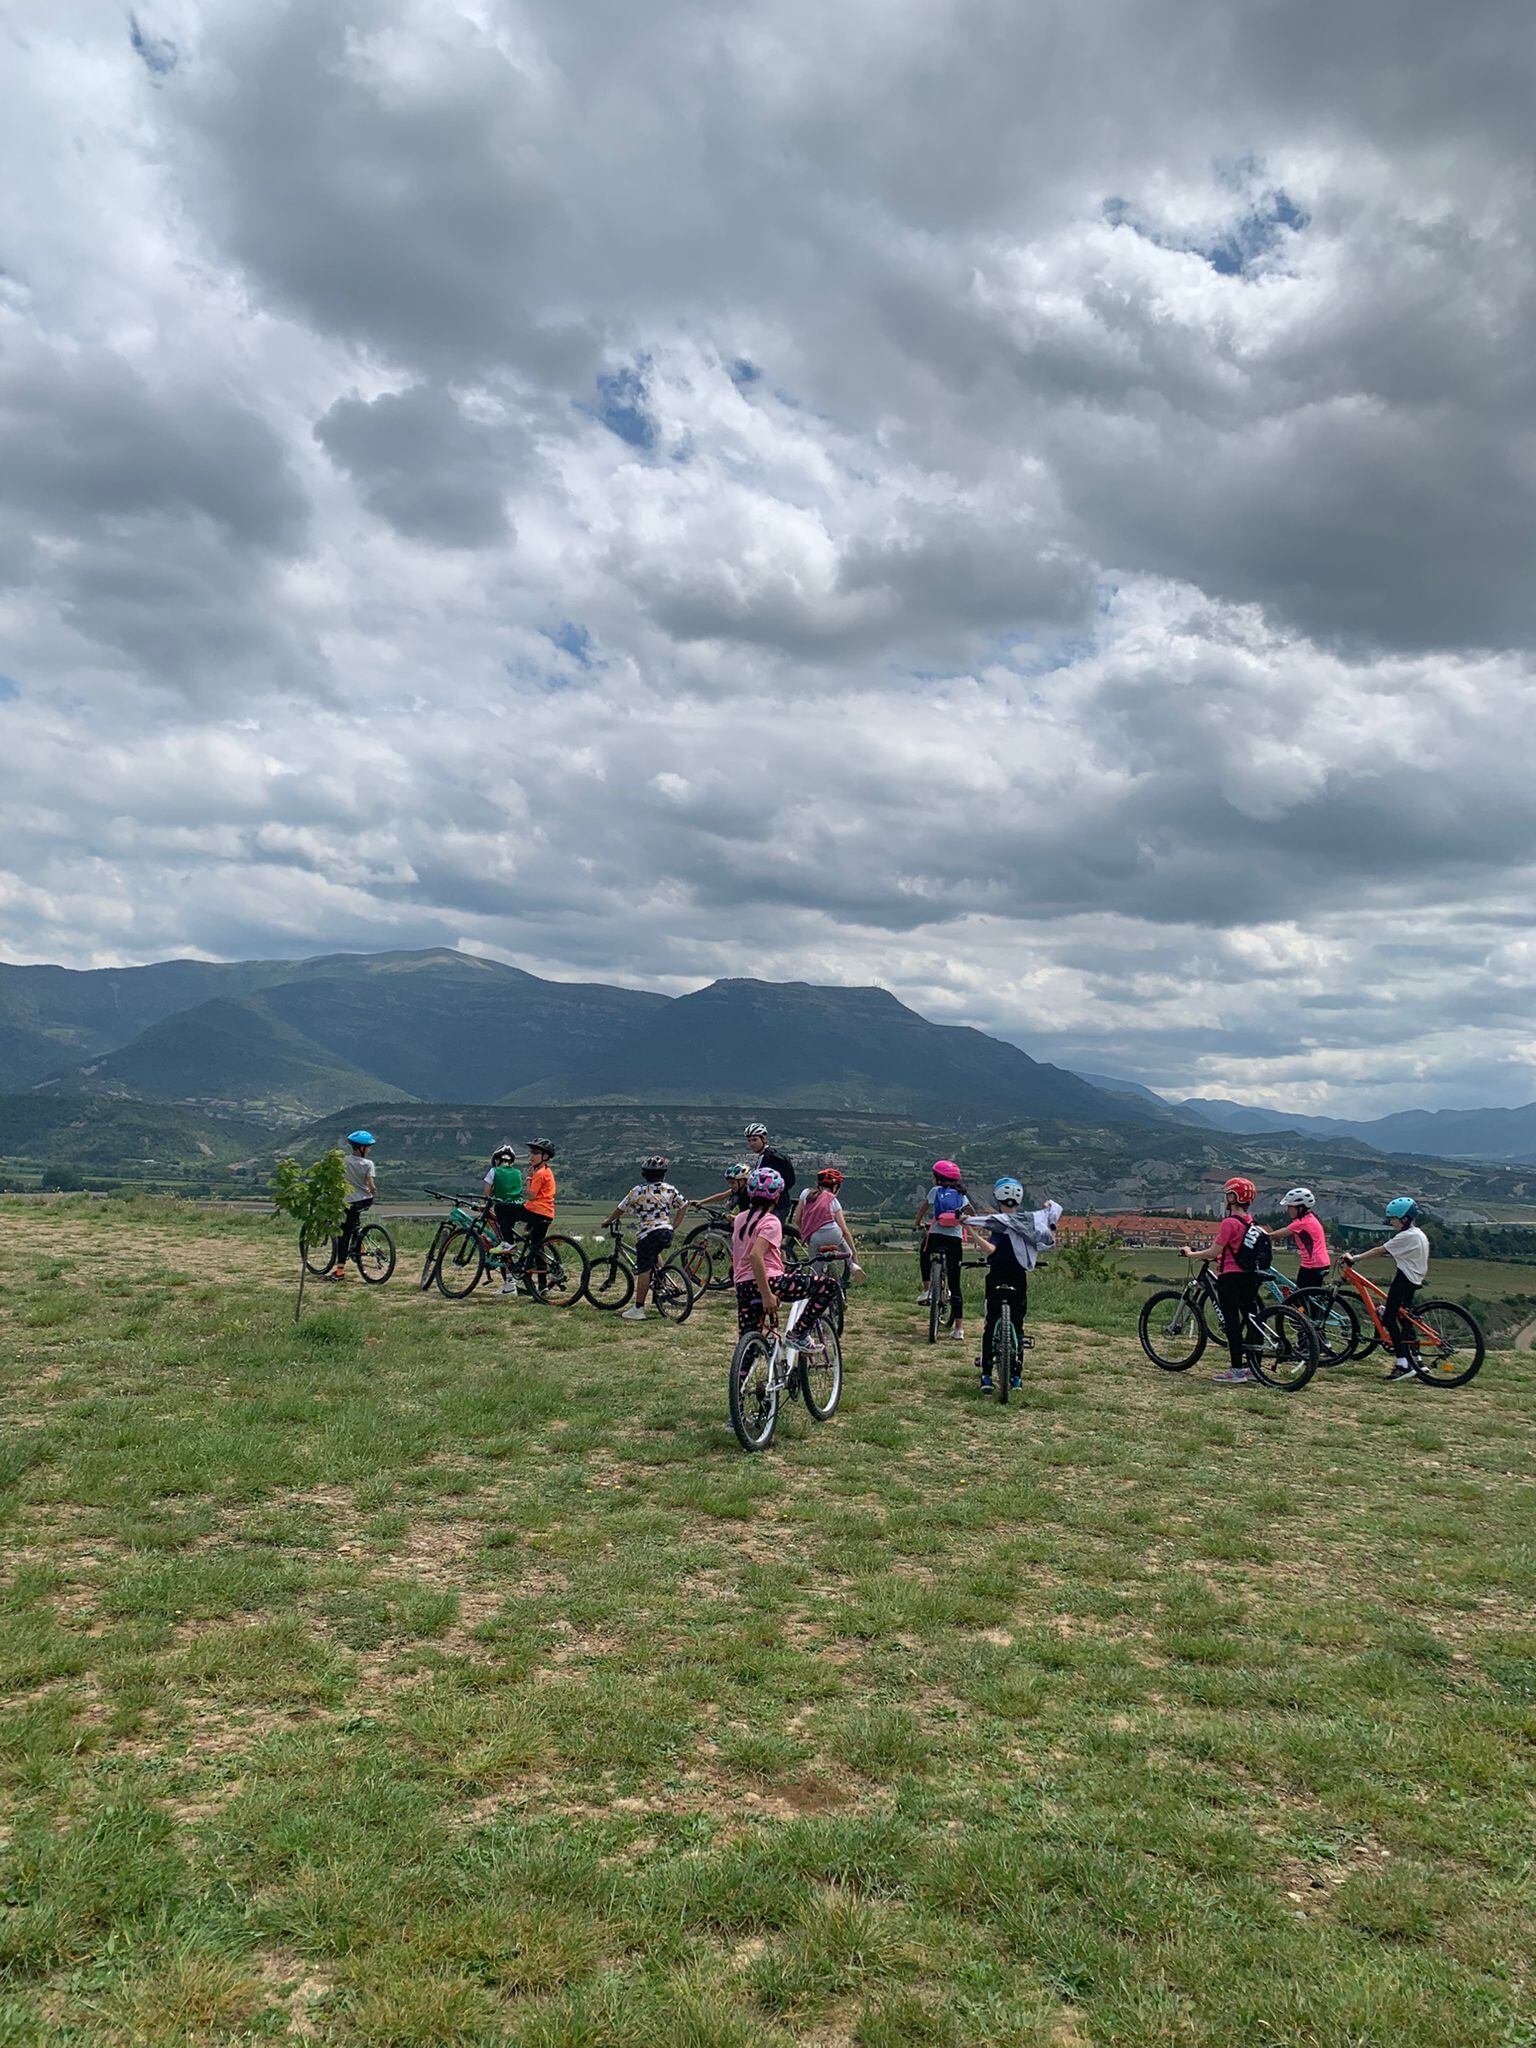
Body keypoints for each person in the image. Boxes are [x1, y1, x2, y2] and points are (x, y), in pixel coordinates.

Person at [964, 1182, 1061, 1391]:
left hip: (996, 1277)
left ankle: (987, 1376)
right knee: (1017, 1326)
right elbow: (1049, 1240)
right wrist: (1049, 1213)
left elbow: (991, 1250)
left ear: (998, 1199)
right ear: (1019, 1200)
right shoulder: (1028, 1223)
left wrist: (972, 1231)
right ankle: (1016, 1377)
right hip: (1019, 1279)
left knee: (990, 1326)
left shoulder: (999, 1225)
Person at [730, 1165, 838, 1338]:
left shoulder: (740, 1219)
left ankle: (747, 1360)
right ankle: (798, 1334)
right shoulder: (771, 1222)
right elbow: (755, 1255)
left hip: (743, 1286)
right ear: (777, 1196)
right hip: (769, 1282)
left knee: (748, 1342)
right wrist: (766, 1295)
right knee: (828, 1286)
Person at [1181, 1176, 1265, 1384]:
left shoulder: (1229, 1223)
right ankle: (1255, 1367)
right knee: (1252, 1318)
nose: (1226, 1198)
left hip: (1231, 1277)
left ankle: (1236, 1370)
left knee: (1232, 1322)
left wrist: (1191, 1254)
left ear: (1233, 1197)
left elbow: (1213, 1251)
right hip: (1250, 1276)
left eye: (1227, 1194)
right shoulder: (1251, 1222)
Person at [1345, 1197, 1429, 1382]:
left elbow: (1379, 1251)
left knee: (1389, 1318)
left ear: (1404, 1219)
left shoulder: (1406, 1236)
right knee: (1406, 1319)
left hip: (1404, 1278)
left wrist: (1355, 1258)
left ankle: (1403, 1364)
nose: (1391, 1222)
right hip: (1414, 1278)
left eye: (1393, 1218)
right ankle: (1417, 1360)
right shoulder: (1419, 1233)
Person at [604, 1155, 687, 1321]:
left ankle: (638, 1308)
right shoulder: (669, 1189)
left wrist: (608, 1220)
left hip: (647, 1233)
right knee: (655, 1255)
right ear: (664, 1174)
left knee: (644, 1270)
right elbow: (684, 1205)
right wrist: (674, 1225)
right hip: (666, 1232)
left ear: (644, 1174)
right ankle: (662, 1283)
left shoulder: (637, 1191)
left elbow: (621, 1208)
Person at [916, 1159, 973, 1344]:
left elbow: (923, 1208)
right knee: (955, 1282)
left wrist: (917, 1223)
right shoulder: (961, 1194)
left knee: (924, 1252)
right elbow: (971, 1212)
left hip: (936, 1236)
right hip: (955, 1240)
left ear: (938, 1178)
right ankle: (959, 1329)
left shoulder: (935, 1192)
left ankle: (926, 1290)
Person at [1273, 1186, 1331, 1336]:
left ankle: (1309, 1338)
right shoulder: (1310, 1218)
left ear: (1301, 1208)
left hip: (1311, 1265)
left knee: (1301, 1303)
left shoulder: (1301, 1223)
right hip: (1320, 1263)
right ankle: (1315, 1337)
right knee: (1310, 1302)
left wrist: (1259, 1234)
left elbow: (1276, 1235)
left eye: (1291, 1207)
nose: (1288, 1210)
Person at [503, 1139, 557, 1284]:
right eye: (531, 1152)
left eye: (536, 1153)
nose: (531, 1155)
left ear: (545, 1157)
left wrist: (528, 1177)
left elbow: (531, 1195)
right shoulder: (548, 1171)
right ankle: (542, 1285)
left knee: (501, 1208)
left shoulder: (539, 1173)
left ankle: (508, 1243)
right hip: (547, 1213)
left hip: (535, 1211)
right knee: (536, 1248)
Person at [795, 1168, 863, 1278]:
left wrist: (806, 1233)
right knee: (843, 1243)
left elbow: (797, 1219)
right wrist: (853, 1253)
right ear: (835, 1187)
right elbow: (844, 1230)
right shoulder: (833, 1201)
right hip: (833, 1234)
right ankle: (853, 1266)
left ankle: (816, 1283)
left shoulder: (806, 1193)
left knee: (815, 1270)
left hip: (814, 1237)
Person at [328, 1130, 376, 1281]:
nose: (369, 1149)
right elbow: (371, 1185)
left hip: (349, 1200)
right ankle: (358, 1246)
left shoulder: (343, 1161)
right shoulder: (368, 1164)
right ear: (362, 1148)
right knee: (354, 1221)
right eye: (368, 1147)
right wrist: (373, 1193)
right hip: (366, 1199)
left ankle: (340, 1271)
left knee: (344, 1234)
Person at [482, 1145, 524, 1298]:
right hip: (517, 1209)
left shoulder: (494, 1171)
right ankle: (510, 1282)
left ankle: (510, 1284)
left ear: (497, 1160)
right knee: (507, 1240)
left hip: (502, 1210)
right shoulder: (518, 1173)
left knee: (505, 1245)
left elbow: (487, 1194)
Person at [743, 1123, 797, 1226]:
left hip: (776, 1205)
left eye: (755, 1140)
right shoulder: (767, 1155)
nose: (751, 1144)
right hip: (776, 1204)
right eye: (749, 1140)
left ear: (763, 1139)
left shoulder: (770, 1158)